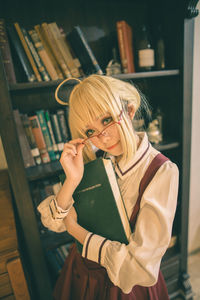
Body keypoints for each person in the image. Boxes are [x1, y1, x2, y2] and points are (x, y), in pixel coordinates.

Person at [38, 74, 179, 300]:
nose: (102, 137)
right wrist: (71, 180)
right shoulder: (91, 162)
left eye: (106, 120)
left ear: (130, 111)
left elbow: (139, 266)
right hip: (80, 275)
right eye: (90, 131)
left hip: (124, 288)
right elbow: (51, 224)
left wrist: (76, 231)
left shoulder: (161, 170)